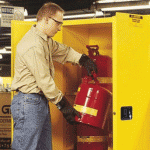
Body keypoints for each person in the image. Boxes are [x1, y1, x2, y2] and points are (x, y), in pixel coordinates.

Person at [11, 2, 97, 150]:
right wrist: (63, 105)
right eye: (58, 23)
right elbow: (44, 81)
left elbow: (64, 51)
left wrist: (83, 59)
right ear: (46, 19)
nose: (59, 27)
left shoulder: (45, 41)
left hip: (39, 102)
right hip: (28, 102)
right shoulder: (33, 45)